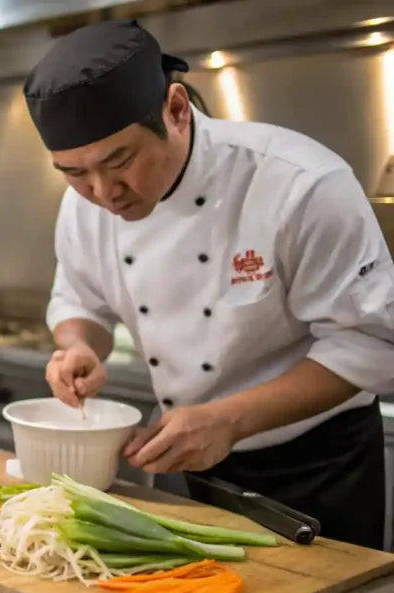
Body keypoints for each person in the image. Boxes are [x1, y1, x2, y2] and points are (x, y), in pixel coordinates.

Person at [24, 19, 394, 549]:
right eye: (73, 172)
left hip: (316, 466)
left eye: (119, 160)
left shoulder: (299, 183)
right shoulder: (84, 206)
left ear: (175, 111)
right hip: (185, 463)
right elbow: (81, 298)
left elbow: (372, 339)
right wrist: (79, 345)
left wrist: (230, 420)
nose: (103, 193)